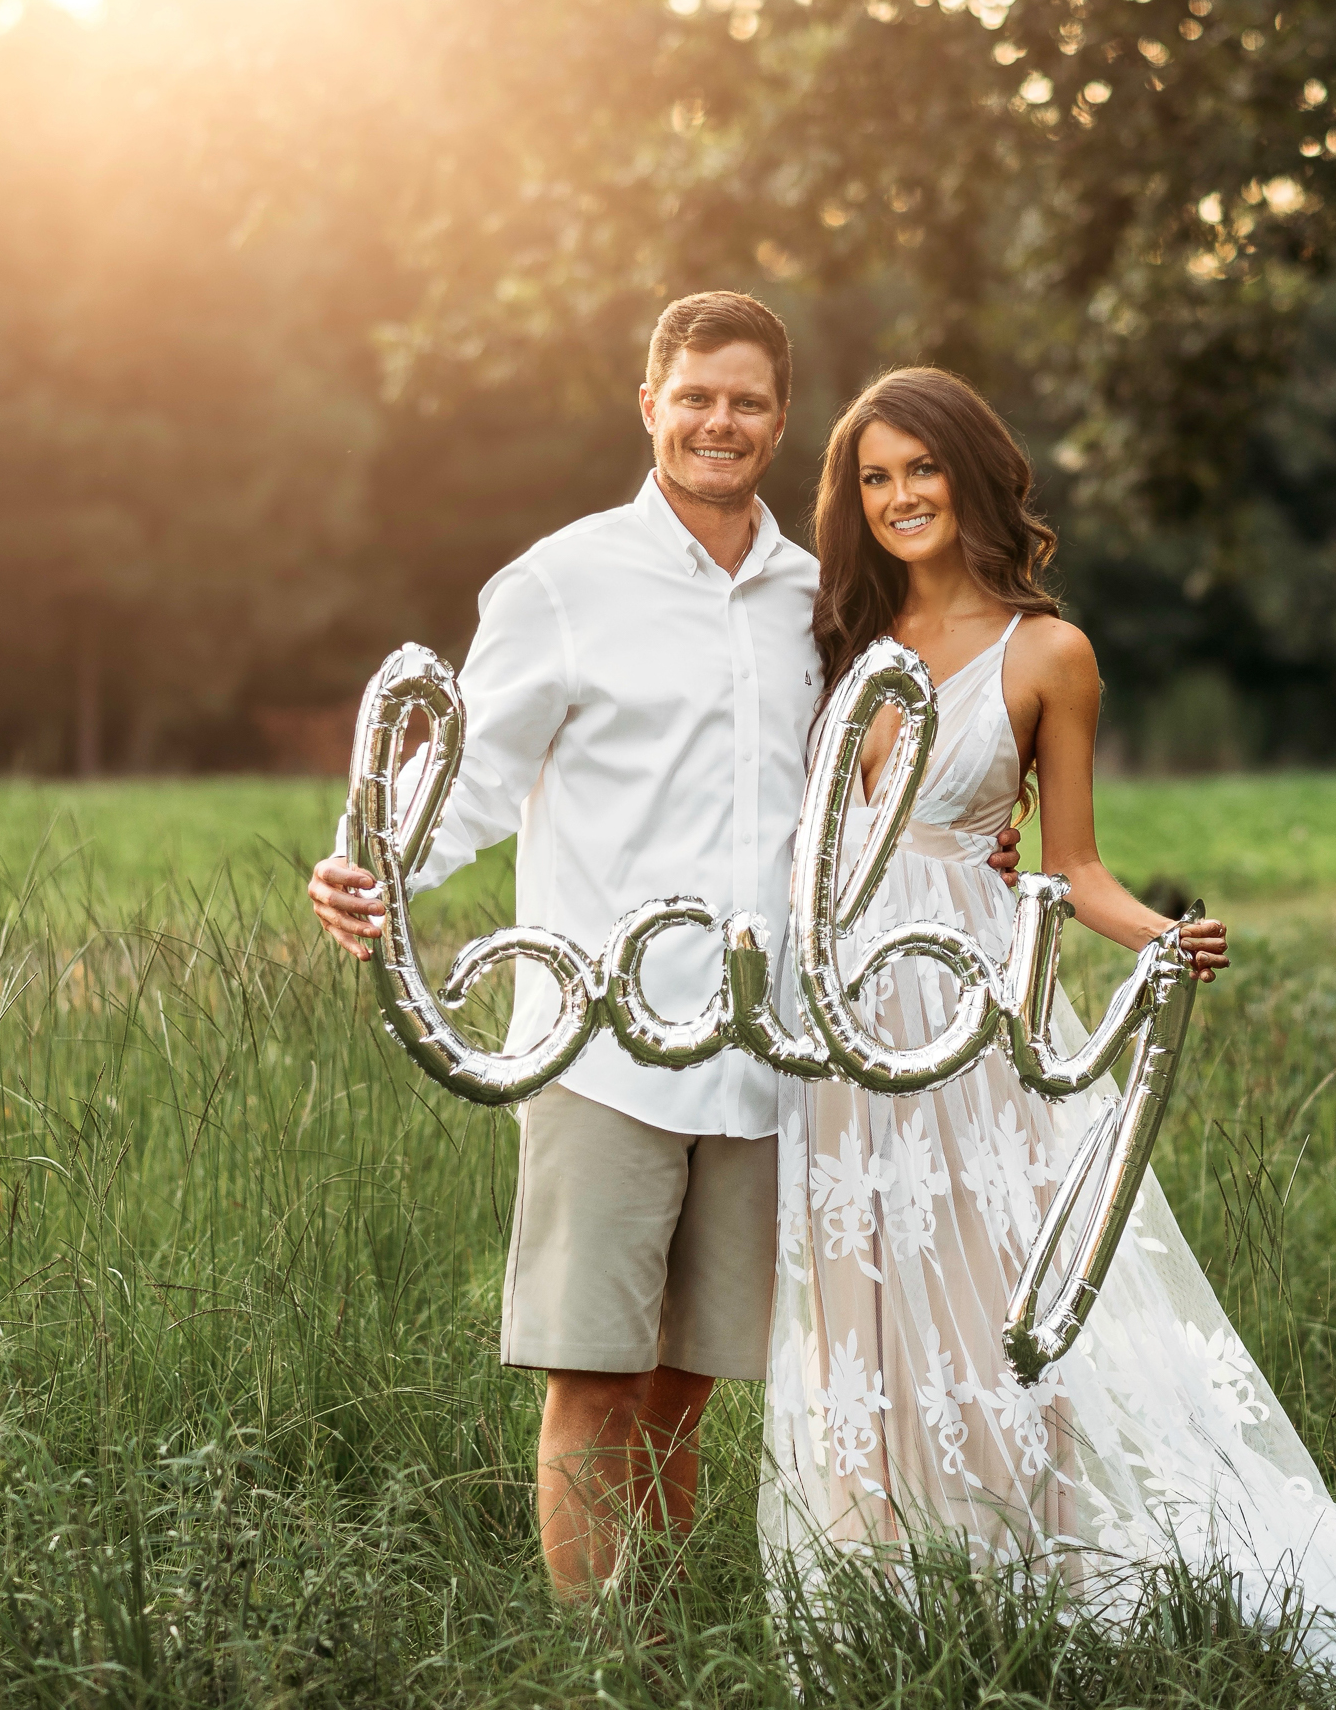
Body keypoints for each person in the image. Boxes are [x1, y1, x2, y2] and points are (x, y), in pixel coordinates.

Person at [307, 297, 1019, 1598]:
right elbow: (466, 775)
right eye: (694, 396)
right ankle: (599, 1672)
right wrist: (375, 867)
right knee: (594, 1375)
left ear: (781, 420)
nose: (718, 422)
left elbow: (880, 778)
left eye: (746, 401)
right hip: (603, 1045)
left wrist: (990, 847)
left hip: (769, 1049)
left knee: (688, 1385)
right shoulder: (562, 583)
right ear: (650, 405)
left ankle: (657, 1644)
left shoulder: (827, 593)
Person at [760, 366, 1336, 1664]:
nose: (900, 495)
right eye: (874, 476)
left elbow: (1071, 867)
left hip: (968, 1004)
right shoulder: (839, 641)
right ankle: (889, 1577)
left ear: (973, 476)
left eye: (922, 468)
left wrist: (1163, 936)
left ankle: (1040, 1557)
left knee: (989, 1280)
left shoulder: (1047, 652)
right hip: (837, 1016)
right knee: (861, 1293)